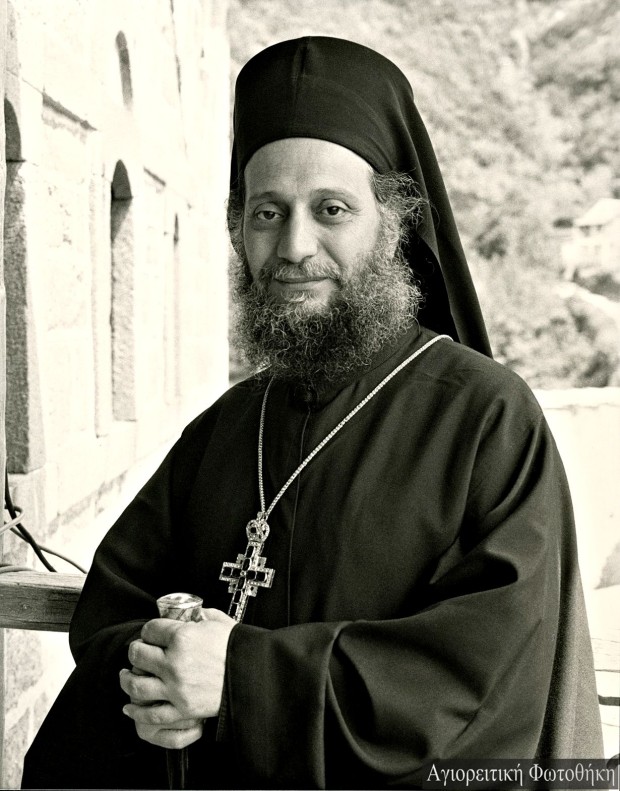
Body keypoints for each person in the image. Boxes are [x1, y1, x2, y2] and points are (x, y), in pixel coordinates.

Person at [22, 37, 602, 790]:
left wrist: (241, 680)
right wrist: (157, 676)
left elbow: (484, 676)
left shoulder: (488, 420)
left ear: (392, 223)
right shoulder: (226, 426)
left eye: (331, 209)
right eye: (267, 212)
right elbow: (113, 607)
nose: (293, 247)